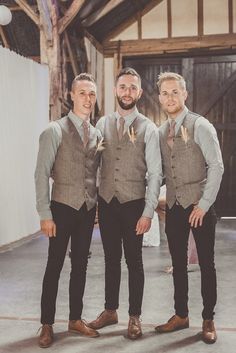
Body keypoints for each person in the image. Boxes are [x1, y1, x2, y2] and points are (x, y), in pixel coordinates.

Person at [88, 67, 162, 339]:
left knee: (134, 261)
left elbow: (155, 173)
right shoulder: (101, 125)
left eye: (132, 87)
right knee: (110, 260)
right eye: (123, 87)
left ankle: (134, 316)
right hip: (107, 203)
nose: (127, 92)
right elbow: (93, 165)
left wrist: (148, 211)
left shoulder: (149, 128)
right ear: (115, 90)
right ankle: (110, 310)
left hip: (134, 204)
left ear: (139, 93)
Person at [154, 72, 224, 344]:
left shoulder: (200, 125)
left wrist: (204, 204)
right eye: (165, 93)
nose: (170, 97)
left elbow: (216, 166)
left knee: (207, 265)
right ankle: (181, 314)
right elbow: (160, 172)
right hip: (174, 206)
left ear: (185, 94)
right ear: (159, 98)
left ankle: (208, 319)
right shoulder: (161, 132)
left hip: (199, 206)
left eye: (175, 92)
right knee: (178, 265)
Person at [35, 73, 102, 348]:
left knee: (81, 265)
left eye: (92, 94)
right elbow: (41, 173)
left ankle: (75, 318)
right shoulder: (54, 130)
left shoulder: (97, 134)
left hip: (86, 209)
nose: (88, 99)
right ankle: (47, 324)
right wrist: (44, 213)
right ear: (72, 96)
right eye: (83, 93)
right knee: (54, 266)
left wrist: (96, 202)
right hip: (61, 208)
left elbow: (94, 172)